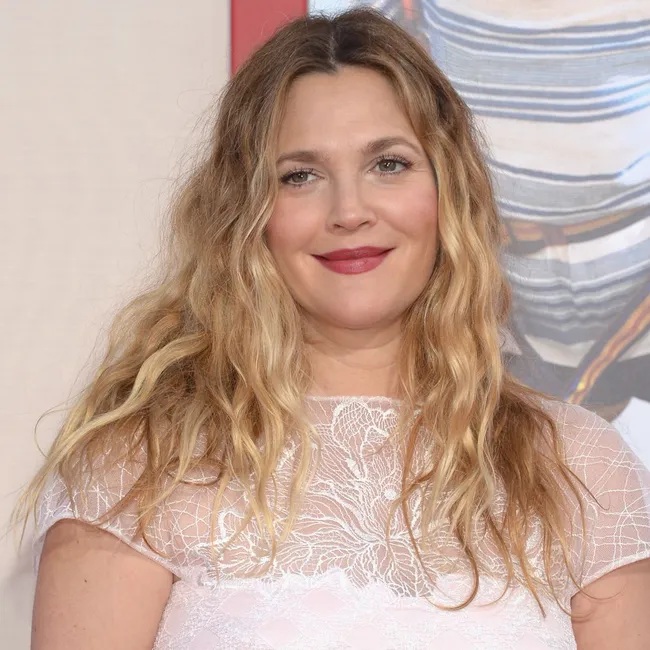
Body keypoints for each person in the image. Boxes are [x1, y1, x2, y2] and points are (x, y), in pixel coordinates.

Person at [15, 8, 650, 650]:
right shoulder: (141, 466)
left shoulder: (578, 469)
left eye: (389, 164)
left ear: (450, 191)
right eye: (300, 176)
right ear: (247, 213)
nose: (349, 211)